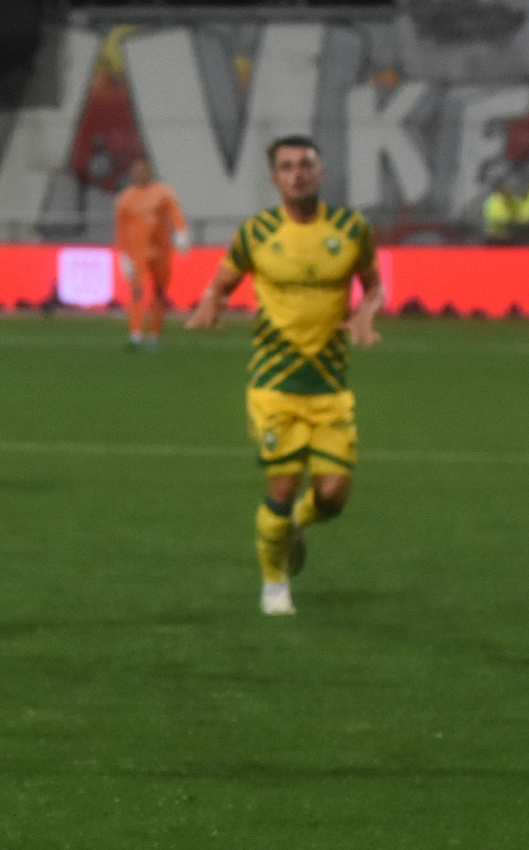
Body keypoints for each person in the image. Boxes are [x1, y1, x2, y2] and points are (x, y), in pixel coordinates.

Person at [187, 135, 382, 617]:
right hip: (274, 383)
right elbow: (225, 278)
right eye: (287, 167)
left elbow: (375, 285)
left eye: (305, 165)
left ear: (321, 173)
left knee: (333, 496)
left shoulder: (351, 228)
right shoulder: (256, 233)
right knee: (283, 480)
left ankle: (296, 524)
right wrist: (212, 300)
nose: (296, 174)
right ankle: (274, 583)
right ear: (275, 179)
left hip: (331, 386)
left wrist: (365, 314)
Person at [113, 157, 188, 349]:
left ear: (149, 172)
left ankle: (154, 334)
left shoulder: (163, 193)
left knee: (160, 293)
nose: (139, 174)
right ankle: (136, 334)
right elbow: (121, 229)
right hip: (138, 252)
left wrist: (181, 232)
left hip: (162, 251)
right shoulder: (125, 199)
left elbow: (175, 213)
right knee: (137, 291)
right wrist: (123, 254)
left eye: (142, 170)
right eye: (135, 171)